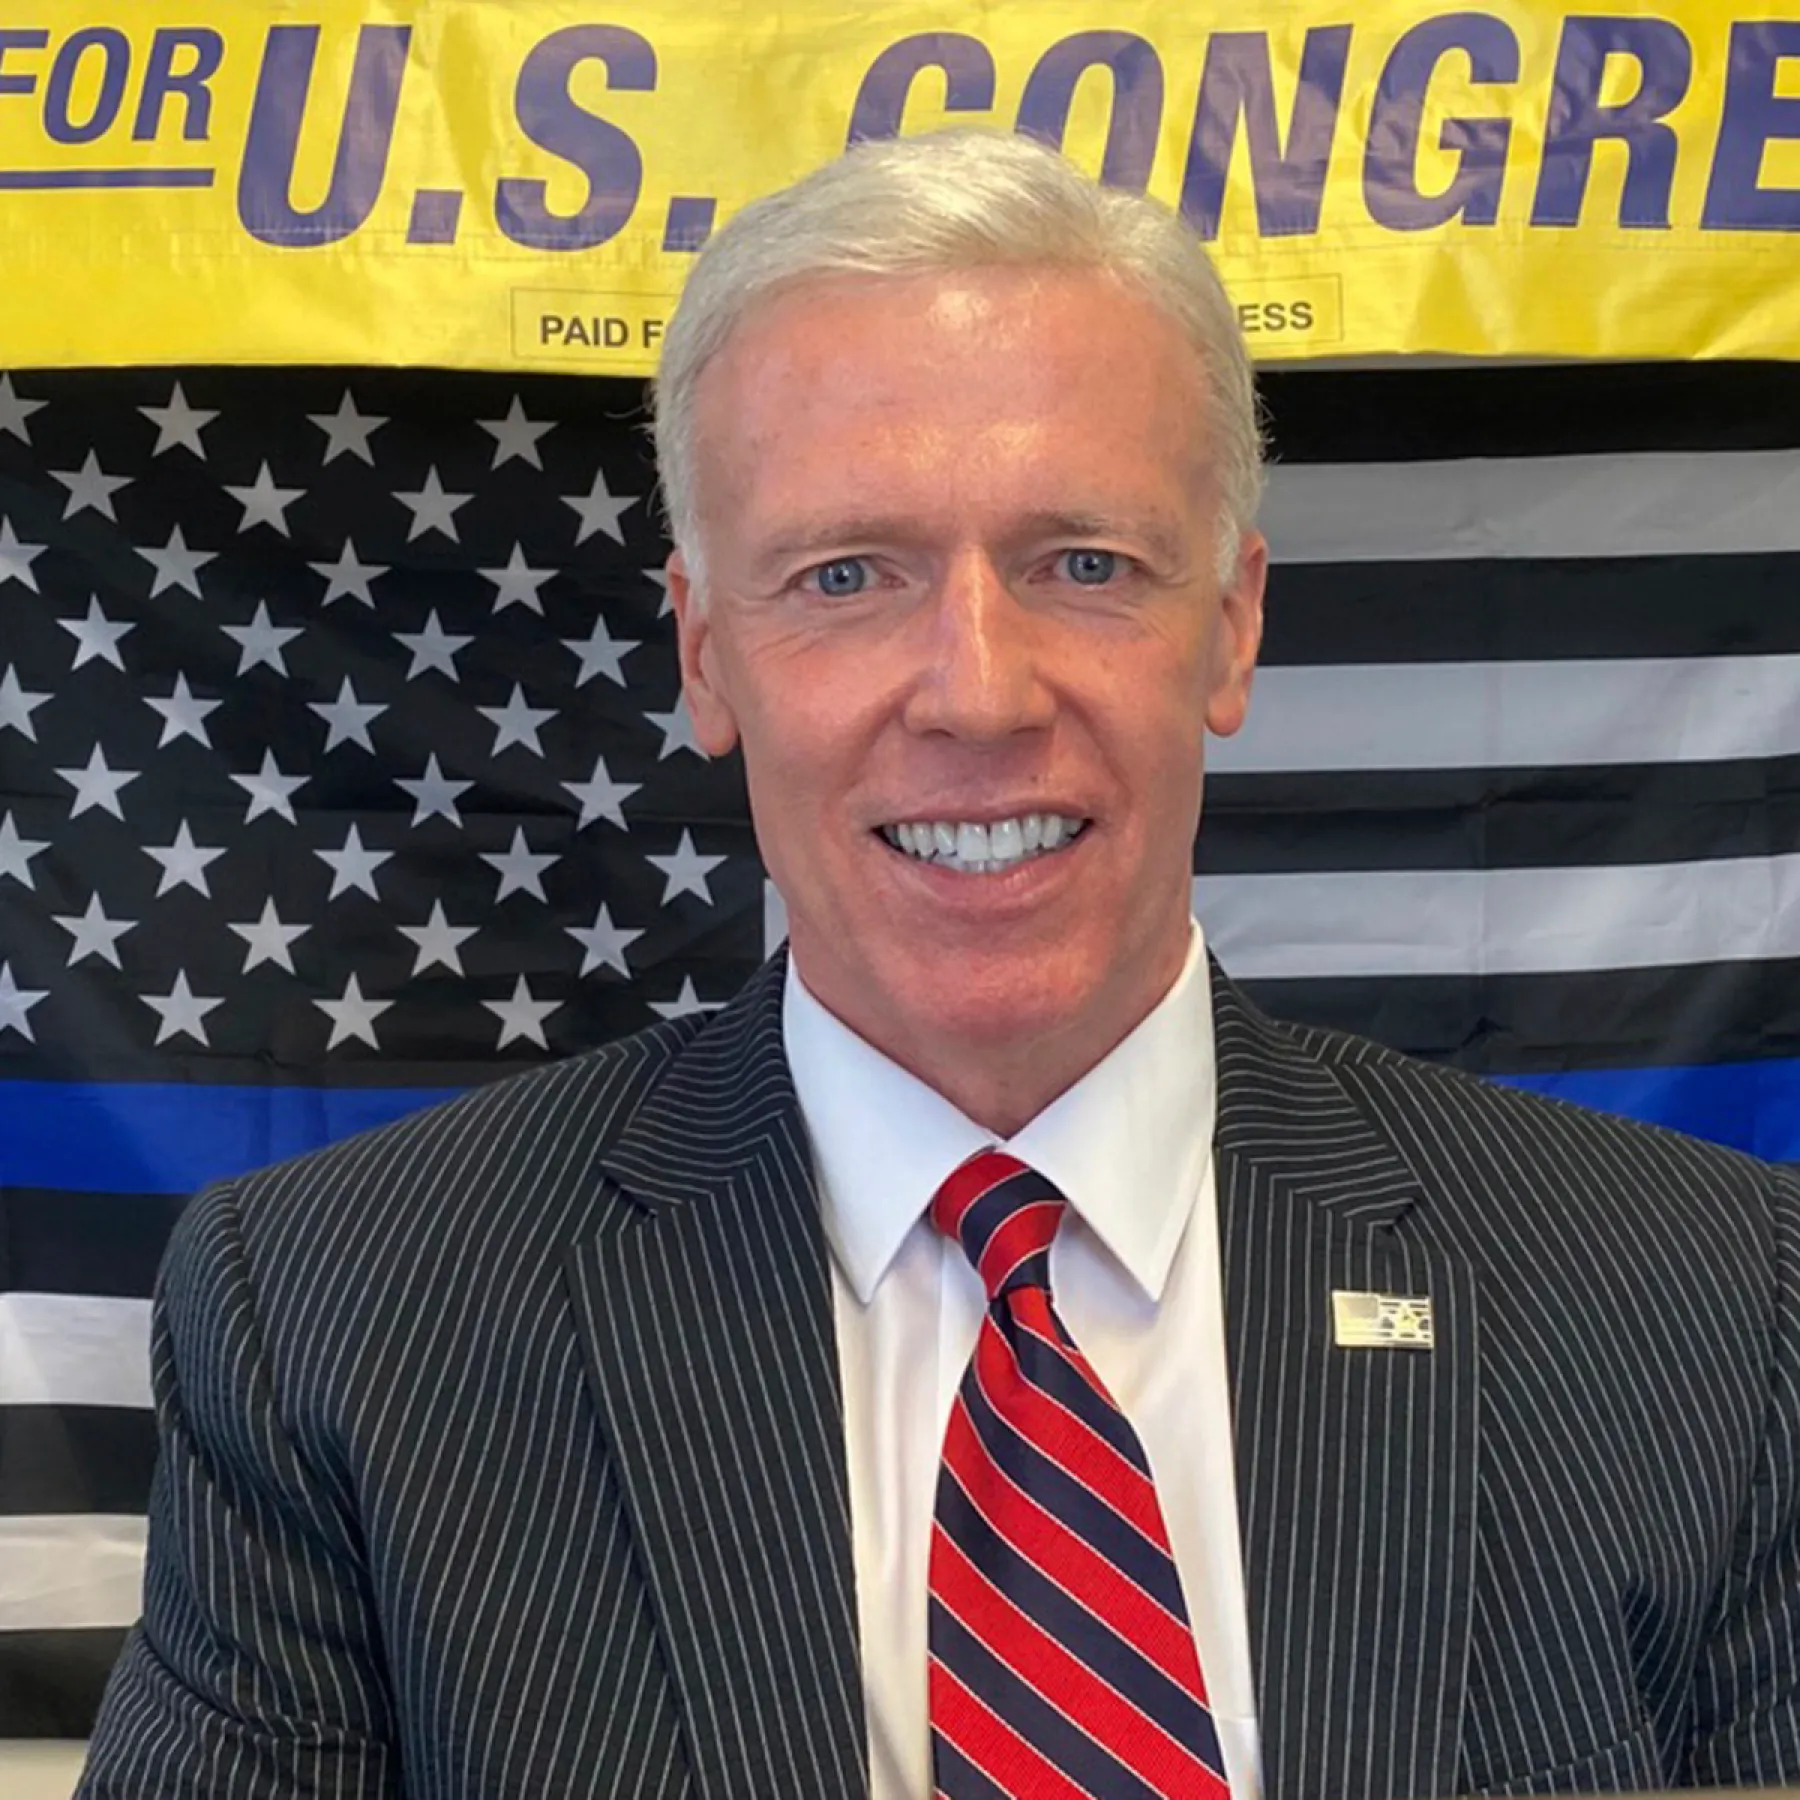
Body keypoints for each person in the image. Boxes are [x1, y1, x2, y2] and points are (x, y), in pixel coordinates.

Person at [79, 129, 1800, 1800]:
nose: (979, 693)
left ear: (1231, 623)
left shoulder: (1709, 1302)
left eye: (1084, 565)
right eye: (847, 574)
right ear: (706, 652)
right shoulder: (336, 1322)